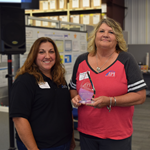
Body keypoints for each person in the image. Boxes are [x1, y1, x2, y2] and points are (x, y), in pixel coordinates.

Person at [69, 17, 147, 150]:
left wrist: (110, 101)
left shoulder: (126, 59)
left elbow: (140, 96)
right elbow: (73, 87)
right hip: (87, 131)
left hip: (116, 134)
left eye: (111, 32)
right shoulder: (81, 60)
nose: (105, 34)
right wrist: (74, 97)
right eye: (101, 31)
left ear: (117, 39)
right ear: (95, 36)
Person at [10, 37, 75, 150]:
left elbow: (67, 110)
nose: (47, 56)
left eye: (51, 51)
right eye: (41, 52)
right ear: (34, 55)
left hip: (64, 142)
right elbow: (19, 119)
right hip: (40, 146)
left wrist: (72, 138)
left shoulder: (59, 79)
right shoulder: (25, 81)